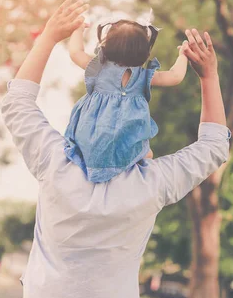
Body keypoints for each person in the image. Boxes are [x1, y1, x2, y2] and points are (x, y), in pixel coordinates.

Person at [2, 0, 230, 298]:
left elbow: (17, 104)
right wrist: (208, 77)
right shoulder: (153, 185)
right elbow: (214, 146)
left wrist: (50, 36)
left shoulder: (54, 164)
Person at [64, 15, 188, 182]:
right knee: (147, 153)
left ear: (105, 47)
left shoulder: (98, 68)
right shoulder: (144, 77)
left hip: (90, 142)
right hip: (126, 145)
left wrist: (78, 29)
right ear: (146, 53)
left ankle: (95, 164)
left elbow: (75, 52)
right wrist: (183, 55)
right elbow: (175, 76)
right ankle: (125, 169)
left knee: (83, 144)